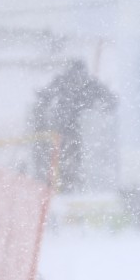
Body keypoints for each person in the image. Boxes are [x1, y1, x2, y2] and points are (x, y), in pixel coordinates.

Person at [30, 59, 117, 193]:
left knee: (68, 157)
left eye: (79, 77)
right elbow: (45, 96)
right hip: (64, 128)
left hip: (75, 129)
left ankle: (69, 183)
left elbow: (110, 99)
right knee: (63, 157)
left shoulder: (87, 84)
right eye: (74, 77)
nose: (76, 81)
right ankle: (65, 183)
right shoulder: (68, 82)